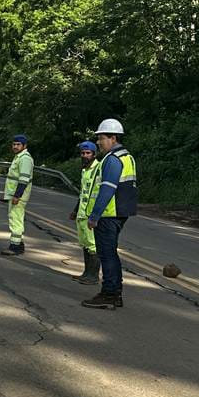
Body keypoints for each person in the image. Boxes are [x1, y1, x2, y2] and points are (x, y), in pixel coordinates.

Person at [82, 119, 138, 308]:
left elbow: (107, 188)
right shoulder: (126, 156)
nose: (98, 142)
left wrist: (94, 215)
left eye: (101, 138)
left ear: (113, 138)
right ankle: (115, 293)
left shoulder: (112, 159)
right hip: (120, 212)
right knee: (110, 254)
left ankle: (109, 294)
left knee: (106, 255)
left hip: (108, 214)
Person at [67, 141, 99, 284]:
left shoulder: (98, 169)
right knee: (85, 244)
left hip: (91, 214)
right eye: (83, 153)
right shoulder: (85, 170)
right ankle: (86, 273)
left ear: (94, 154)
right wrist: (75, 211)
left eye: (88, 153)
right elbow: (83, 194)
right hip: (82, 213)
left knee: (93, 246)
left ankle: (93, 276)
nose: (85, 156)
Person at [1, 134, 35, 255]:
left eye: (18, 144)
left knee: (15, 220)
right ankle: (19, 245)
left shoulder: (24, 158)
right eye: (14, 144)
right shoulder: (19, 157)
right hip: (14, 194)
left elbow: (23, 179)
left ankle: (14, 247)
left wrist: (17, 195)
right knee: (15, 218)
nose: (15, 146)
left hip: (18, 196)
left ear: (24, 146)